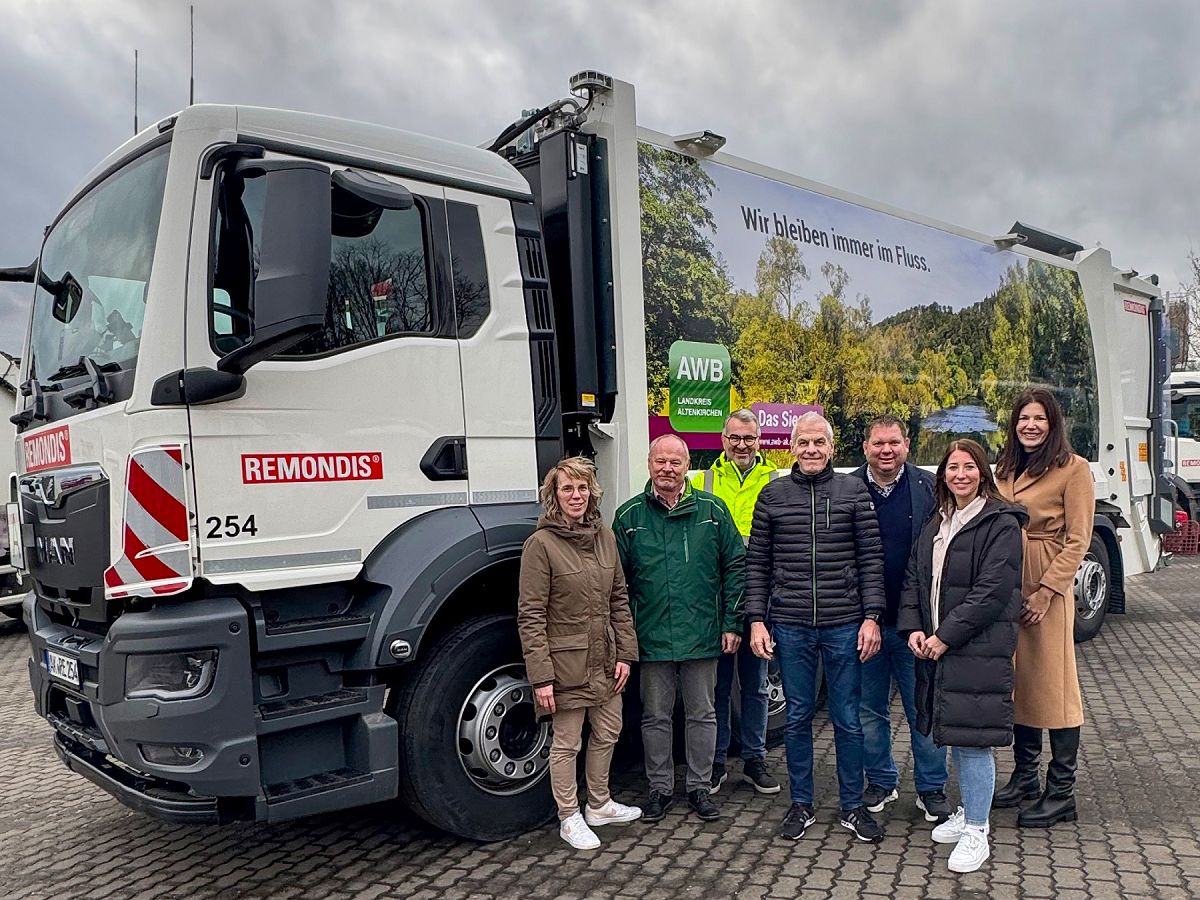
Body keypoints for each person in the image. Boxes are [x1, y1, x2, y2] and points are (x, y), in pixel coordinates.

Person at [746, 412, 886, 843]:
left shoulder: (853, 491)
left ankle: (852, 806)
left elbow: (870, 561)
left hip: (845, 623)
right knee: (797, 718)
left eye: (819, 443)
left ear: (831, 447)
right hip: (789, 624)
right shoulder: (773, 495)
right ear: (792, 447)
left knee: (847, 718)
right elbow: (757, 564)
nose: (811, 450)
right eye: (803, 442)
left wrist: (871, 618)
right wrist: (756, 620)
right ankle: (801, 803)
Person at [897, 438, 1026, 873]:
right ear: (943, 475)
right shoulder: (939, 520)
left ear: (982, 473)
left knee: (974, 742)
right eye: (952, 467)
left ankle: (977, 828)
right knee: (952, 728)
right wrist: (914, 627)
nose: (960, 475)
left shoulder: (1001, 523)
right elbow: (916, 577)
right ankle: (968, 809)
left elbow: (993, 592)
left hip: (977, 648)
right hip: (938, 644)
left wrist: (945, 637)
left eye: (969, 467)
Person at [615, 434, 745, 823]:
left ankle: (699, 787)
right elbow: (615, 583)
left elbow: (735, 567)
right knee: (654, 715)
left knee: (702, 714)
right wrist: (624, 636)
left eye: (675, 462)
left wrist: (731, 622)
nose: (667, 469)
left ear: (687, 466)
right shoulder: (629, 517)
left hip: (703, 633)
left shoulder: (712, 511)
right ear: (649, 464)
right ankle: (659, 788)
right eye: (660, 462)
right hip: (651, 635)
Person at [517, 457, 642, 850]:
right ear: (554, 495)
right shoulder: (540, 545)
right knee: (567, 742)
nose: (576, 495)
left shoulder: (604, 536)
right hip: (565, 662)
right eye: (567, 488)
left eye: (583, 488)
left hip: (605, 660)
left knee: (608, 731)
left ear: (592, 492)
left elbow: (619, 598)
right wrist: (541, 676)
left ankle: (600, 804)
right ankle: (569, 815)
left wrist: (625, 653)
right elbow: (531, 614)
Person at [993, 388, 1094, 828]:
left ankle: (1062, 792)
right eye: (1023, 418)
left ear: (1053, 424)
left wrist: (1047, 591)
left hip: (1044, 584)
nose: (1030, 425)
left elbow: (1078, 540)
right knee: (1020, 684)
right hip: (1007, 582)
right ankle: (1025, 778)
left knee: (1055, 686)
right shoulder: (1004, 468)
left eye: (1039, 419)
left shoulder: (1074, 470)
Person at [851, 415, 951, 823]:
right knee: (868, 709)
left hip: (918, 625)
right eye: (878, 443)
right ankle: (880, 780)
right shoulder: (846, 489)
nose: (886, 450)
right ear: (865, 447)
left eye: (893, 442)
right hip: (864, 625)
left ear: (907, 445)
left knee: (922, 708)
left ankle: (932, 789)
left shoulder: (930, 488)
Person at [691, 409, 782, 797]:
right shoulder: (702, 481)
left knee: (757, 684)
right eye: (734, 438)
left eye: (748, 438)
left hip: (763, 597)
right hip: (717, 600)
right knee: (717, 685)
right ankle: (714, 763)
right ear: (723, 440)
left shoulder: (777, 480)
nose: (741, 445)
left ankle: (754, 759)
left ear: (758, 440)